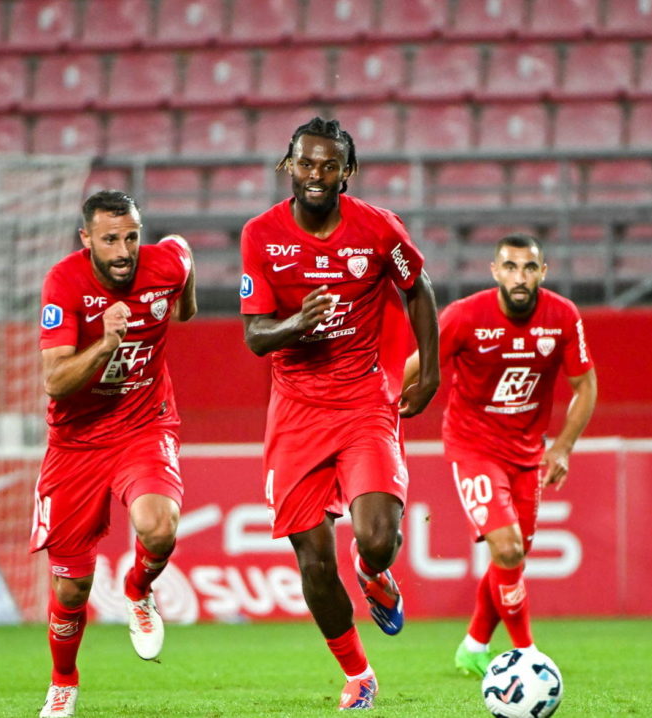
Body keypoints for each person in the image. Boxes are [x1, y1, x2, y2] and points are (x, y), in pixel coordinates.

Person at [239, 117, 439, 711]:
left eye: (329, 165)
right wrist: (296, 323)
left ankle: (373, 572)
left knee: (379, 538)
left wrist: (430, 372)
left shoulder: (377, 228)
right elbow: (254, 337)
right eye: (305, 163)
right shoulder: (261, 235)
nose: (315, 175)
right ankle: (359, 674)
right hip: (296, 412)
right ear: (289, 166)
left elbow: (418, 287)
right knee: (315, 564)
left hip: (363, 403)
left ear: (347, 172)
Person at [30, 190, 197, 718]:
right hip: (76, 443)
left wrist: (184, 304)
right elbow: (56, 382)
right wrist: (104, 344)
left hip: (144, 425)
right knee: (72, 587)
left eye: (131, 237)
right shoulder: (64, 282)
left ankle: (138, 589)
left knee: (159, 527)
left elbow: (183, 257)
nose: (124, 251)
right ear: (87, 239)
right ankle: (63, 682)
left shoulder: (165, 264)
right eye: (110, 240)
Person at [406, 233, 596, 677]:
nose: (520, 277)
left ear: (543, 272)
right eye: (510, 267)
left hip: (528, 452)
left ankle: (474, 645)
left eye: (529, 267)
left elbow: (585, 385)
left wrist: (563, 447)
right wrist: (383, 414)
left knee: (513, 555)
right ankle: (527, 655)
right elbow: (414, 366)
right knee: (508, 549)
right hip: (473, 446)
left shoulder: (562, 316)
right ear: (495, 271)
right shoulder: (465, 316)